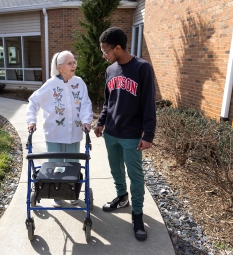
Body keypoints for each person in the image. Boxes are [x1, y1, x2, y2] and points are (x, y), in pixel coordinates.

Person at [94, 27, 156, 241]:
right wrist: (101, 122)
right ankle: (122, 198)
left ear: (118, 48)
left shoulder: (142, 68)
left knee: (135, 175)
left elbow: (149, 104)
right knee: (115, 170)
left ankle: (137, 214)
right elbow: (108, 101)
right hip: (111, 132)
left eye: (105, 51)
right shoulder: (110, 70)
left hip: (131, 134)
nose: (104, 55)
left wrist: (148, 135)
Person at [26, 50, 93, 207]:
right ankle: (56, 194)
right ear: (60, 67)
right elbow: (33, 101)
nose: (74, 65)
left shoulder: (79, 82)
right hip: (55, 134)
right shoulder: (50, 85)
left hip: (74, 133)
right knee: (55, 166)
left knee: (72, 166)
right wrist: (31, 120)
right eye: (70, 63)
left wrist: (86, 120)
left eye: (74, 62)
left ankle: (72, 193)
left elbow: (85, 104)